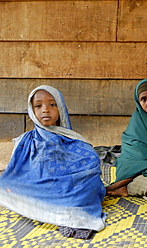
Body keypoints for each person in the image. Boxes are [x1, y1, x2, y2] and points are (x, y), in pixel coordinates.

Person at [0, 85, 106, 239]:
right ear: (32, 110)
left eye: (52, 104)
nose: (45, 110)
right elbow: (19, 172)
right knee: (5, 185)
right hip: (39, 187)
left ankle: (68, 206)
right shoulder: (25, 141)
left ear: (61, 108)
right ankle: (57, 206)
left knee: (89, 175)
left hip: (71, 190)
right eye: (38, 105)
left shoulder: (76, 141)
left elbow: (91, 167)